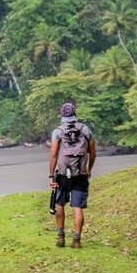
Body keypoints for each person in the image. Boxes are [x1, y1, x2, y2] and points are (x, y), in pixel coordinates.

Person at [48, 102, 96, 248]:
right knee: (77, 207)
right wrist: (88, 169)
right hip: (80, 174)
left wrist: (51, 176)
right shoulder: (85, 129)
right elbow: (93, 152)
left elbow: (54, 154)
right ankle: (76, 241)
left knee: (59, 204)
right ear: (75, 113)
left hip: (63, 174)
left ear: (62, 114)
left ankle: (61, 237)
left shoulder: (58, 131)